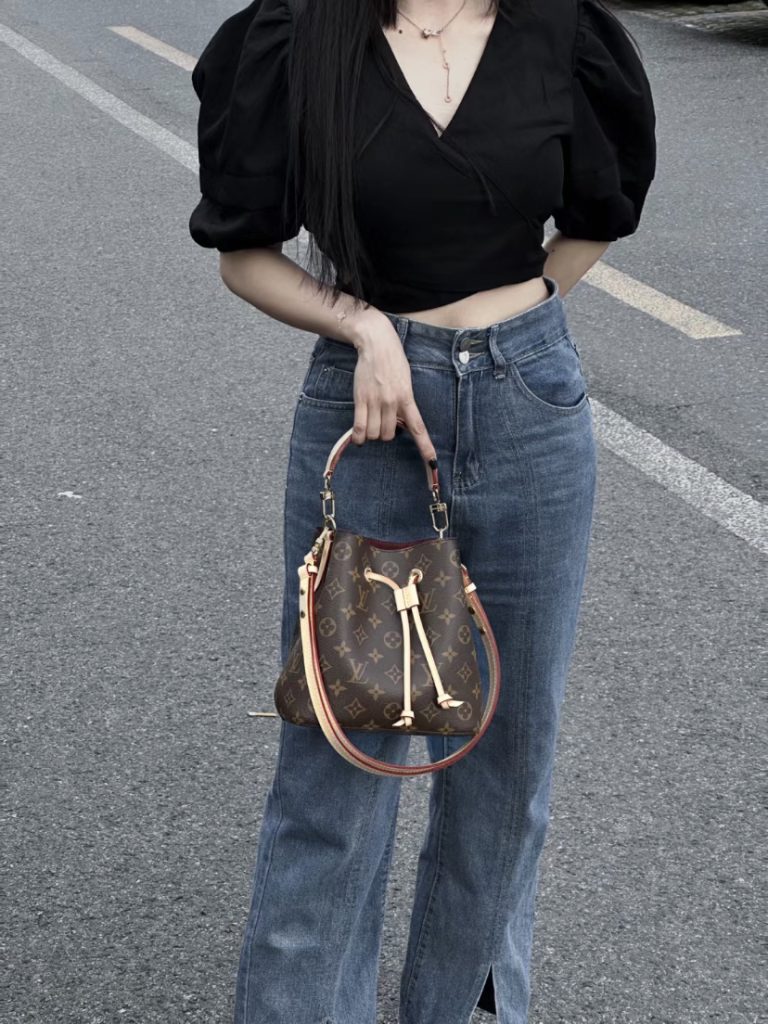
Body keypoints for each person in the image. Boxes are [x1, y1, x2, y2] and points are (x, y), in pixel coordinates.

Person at [188, 0, 656, 1020]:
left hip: (531, 407)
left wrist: (513, 333)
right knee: (339, 765)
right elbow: (242, 251)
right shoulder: (299, 35)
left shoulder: (562, 30)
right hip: (370, 419)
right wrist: (367, 328)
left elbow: (596, 215)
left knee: (509, 763)